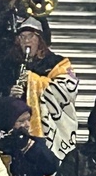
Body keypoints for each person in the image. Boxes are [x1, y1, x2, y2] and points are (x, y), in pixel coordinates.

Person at [9, 16, 78, 161]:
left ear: (40, 40)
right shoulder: (14, 64)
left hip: (52, 128)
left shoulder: (57, 62)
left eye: (30, 36)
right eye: (22, 37)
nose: (26, 41)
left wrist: (34, 81)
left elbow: (69, 88)